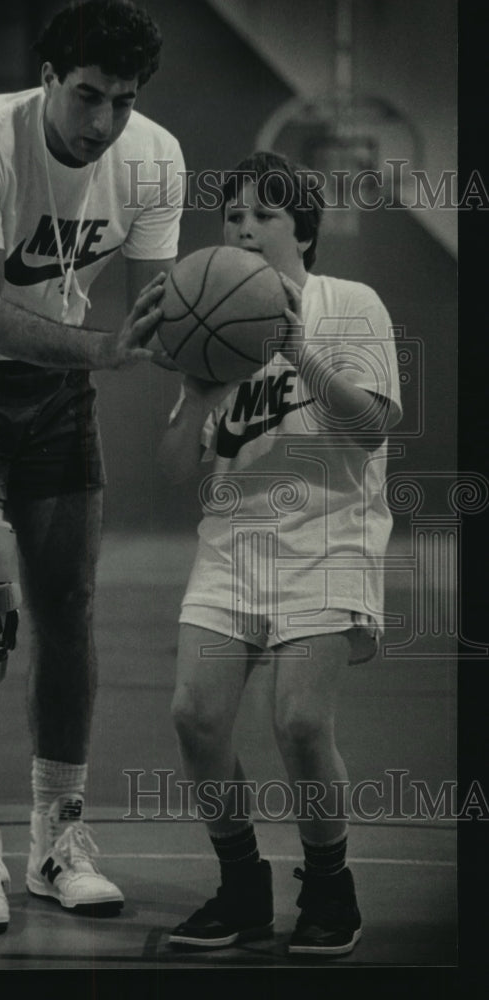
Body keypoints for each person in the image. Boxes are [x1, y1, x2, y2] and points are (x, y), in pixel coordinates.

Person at [0, 0, 184, 934]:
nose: (102, 123)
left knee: (69, 603)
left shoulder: (156, 160)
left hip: (52, 377)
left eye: (123, 101)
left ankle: (58, 837)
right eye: (87, 96)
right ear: (50, 79)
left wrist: (239, 318)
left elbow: (154, 315)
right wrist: (104, 353)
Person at [158, 150, 402, 956]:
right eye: (232, 215)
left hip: (328, 540)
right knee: (194, 715)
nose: (243, 227)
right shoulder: (217, 326)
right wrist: (196, 391)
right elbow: (173, 473)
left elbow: (371, 429)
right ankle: (241, 888)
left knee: (300, 721)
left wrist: (298, 348)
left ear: (302, 226)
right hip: (233, 547)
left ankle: (331, 888)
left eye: (262, 213)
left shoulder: (351, 304)